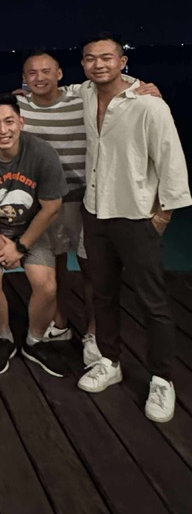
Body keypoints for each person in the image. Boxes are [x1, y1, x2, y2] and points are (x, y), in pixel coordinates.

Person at [76, 33, 191, 422]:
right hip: (95, 211)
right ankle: (110, 361)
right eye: (90, 58)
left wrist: (163, 215)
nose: (98, 64)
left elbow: (171, 162)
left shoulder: (149, 105)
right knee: (103, 293)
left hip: (137, 215)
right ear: (83, 64)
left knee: (152, 302)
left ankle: (162, 378)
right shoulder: (85, 94)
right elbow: (49, 90)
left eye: (107, 57)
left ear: (122, 61)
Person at [0, 95, 69, 377]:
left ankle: (35, 340)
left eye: (9, 122)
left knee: (47, 286)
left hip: (31, 227)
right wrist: (2, 247)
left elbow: (52, 207)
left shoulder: (42, 153)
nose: (3, 130)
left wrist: (20, 246)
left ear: (21, 122)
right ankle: (4, 337)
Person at [18, 50, 101, 366]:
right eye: (32, 73)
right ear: (24, 79)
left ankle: (93, 333)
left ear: (60, 74)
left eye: (46, 71)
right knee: (55, 266)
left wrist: (146, 88)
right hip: (43, 203)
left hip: (82, 199)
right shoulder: (19, 106)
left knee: (92, 267)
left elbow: (118, 86)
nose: (39, 78)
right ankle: (60, 323)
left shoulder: (81, 100)